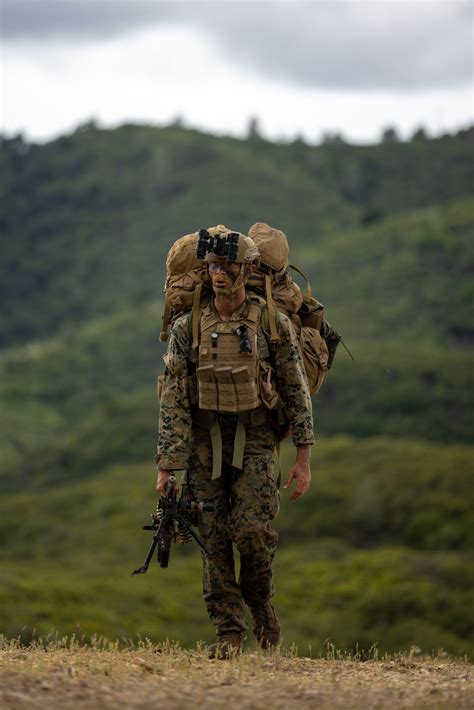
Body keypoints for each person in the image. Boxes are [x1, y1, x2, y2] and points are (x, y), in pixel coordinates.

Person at [155, 229, 314, 658]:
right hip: (205, 440)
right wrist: (167, 467)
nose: (218, 274)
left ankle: (260, 599)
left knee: (252, 531)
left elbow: (295, 390)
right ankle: (228, 631)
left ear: (246, 270)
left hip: (257, 436)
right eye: (211, 267)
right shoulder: (188, 326)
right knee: (212, 536)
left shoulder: (270, 323)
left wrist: (303, 456)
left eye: (226, 267)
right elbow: (173, 397)